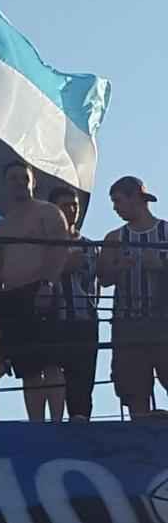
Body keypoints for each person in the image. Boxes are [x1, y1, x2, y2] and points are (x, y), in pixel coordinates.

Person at [0, 161, 70, 422]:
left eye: (24, 177)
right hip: (12, 298)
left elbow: (59, 249)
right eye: (13, 178)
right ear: (6, 185)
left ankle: (57, 421)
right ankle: (36, 424)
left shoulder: (49, 213)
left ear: (33, 182)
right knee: (28, 367)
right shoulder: (1, 227)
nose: (19, 182)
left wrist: (47, 284)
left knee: (52, 362)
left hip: (42, 291)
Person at [98, 176, 168, 419]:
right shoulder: (114, 238)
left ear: (135, 198)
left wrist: (161, 264)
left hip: (163, 320)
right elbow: (104, 277)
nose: (115, 207)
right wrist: (118, 267)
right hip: (127, 322)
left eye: (118, 201)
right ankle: (140, 436)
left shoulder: (166, 231)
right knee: (133, 387)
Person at [48, 186, 100, 422]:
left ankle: (81, 425)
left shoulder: (90, 245)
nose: (70, 210)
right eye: (64, 205)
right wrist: (63, 264)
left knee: (83, 379)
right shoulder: (42, 244)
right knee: (53, 375)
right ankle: (55, 424)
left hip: (86, 319)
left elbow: (101, 279)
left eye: (74, 205)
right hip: (53, 318)